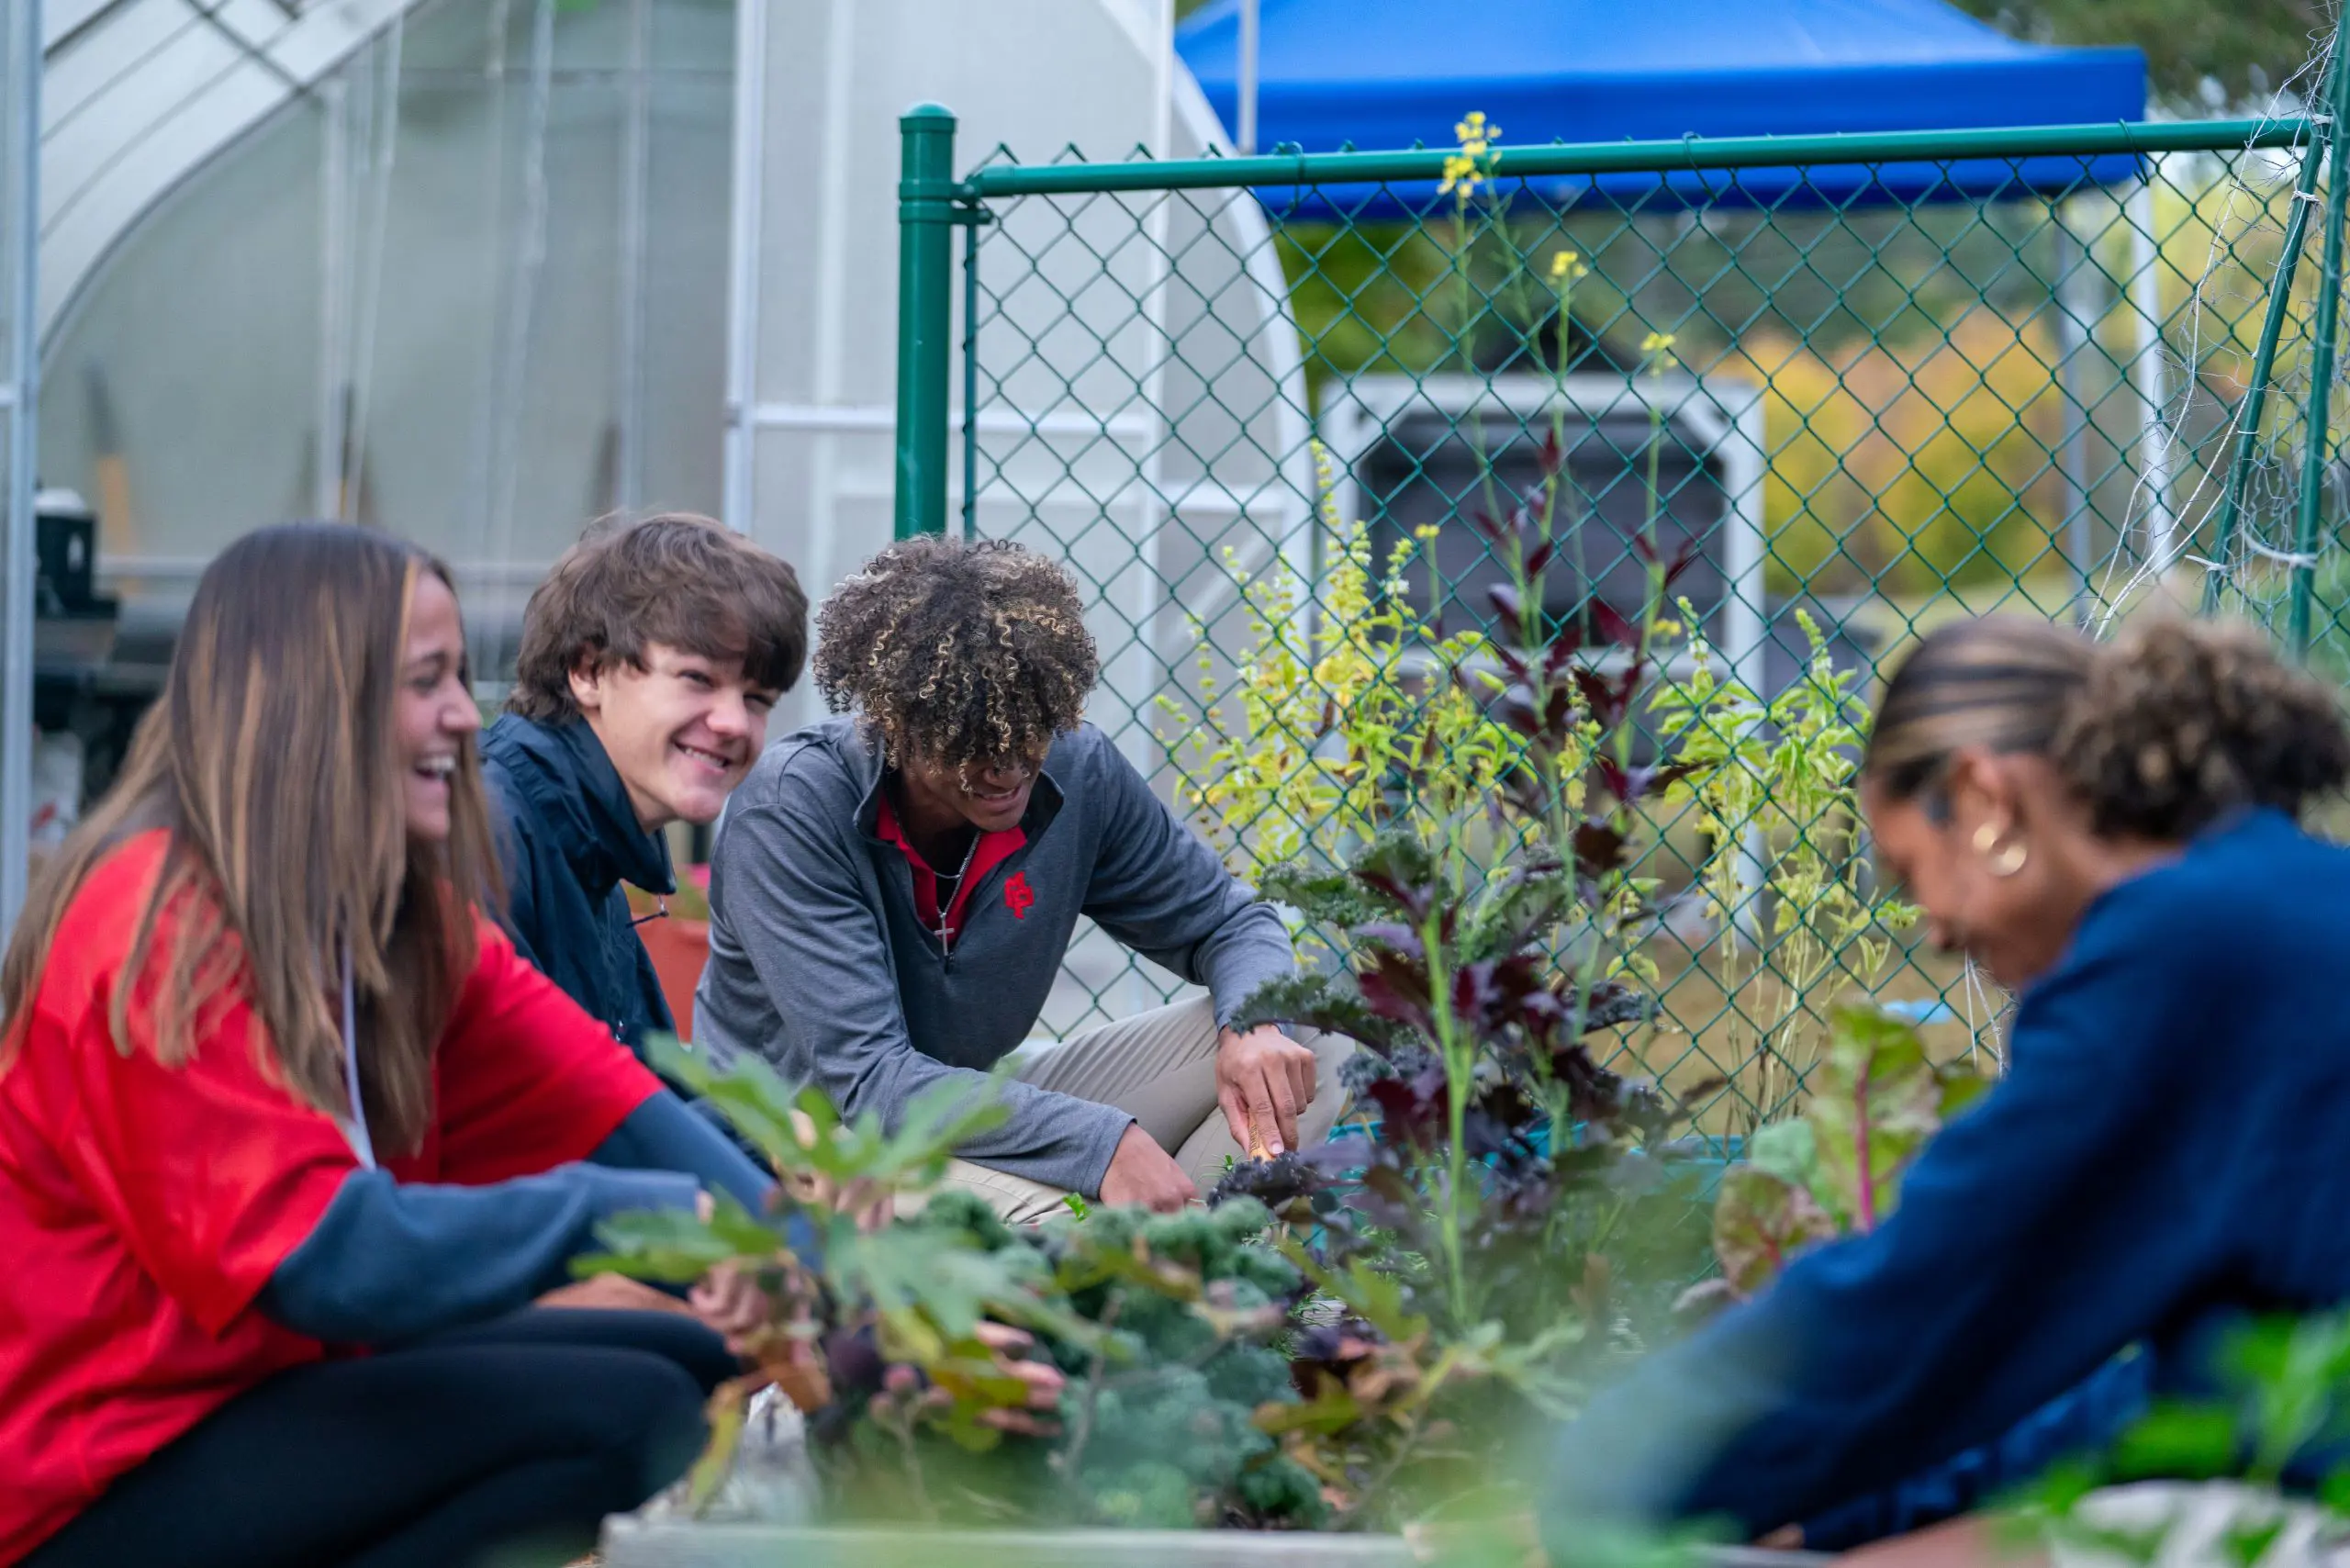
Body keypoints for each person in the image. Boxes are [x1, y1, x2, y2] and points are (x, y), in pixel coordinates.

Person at [0, 524, 858, 1568]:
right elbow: (327, 1257)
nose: (464, 710)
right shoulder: (155, 918)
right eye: (425, 681)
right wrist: (643, 1216)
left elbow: (630, 1111)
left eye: (456, 675)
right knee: (620, 1410)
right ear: (309, 697)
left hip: (277, 1387)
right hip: (101, 1470)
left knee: (681, 1359)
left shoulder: (401, 918)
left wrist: (843, 1277)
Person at [1538, 614, 2350, 1553]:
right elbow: (2139, 1403)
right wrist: (1848, 1516)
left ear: (1981, 797)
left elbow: (1926, 1305)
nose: (1928, 929)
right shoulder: (2273, 906)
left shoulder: (2177, 952)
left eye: (1908, 871)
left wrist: (1591, 1479)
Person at [695, 535, 1352, 1221]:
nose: (1006, 768)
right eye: (968, 743)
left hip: (968, 1111)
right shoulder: (793, 809)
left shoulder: (1075, 773)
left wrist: (1251, 1024)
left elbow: (1230, 921)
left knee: (1299, 1045)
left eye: (1028, 732)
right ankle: (1159, 1276)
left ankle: (1196, 1267)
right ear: (893, 720)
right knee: (1063, 1220)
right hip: (813, 1147)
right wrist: (1103, 1145)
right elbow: (873, 1083)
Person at [482, 511, 807, 1058]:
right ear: (588, 671)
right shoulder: (493, 834)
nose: (732, 723)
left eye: (757, 700)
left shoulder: (593, 849)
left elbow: (640, 1091)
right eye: (697, 679)